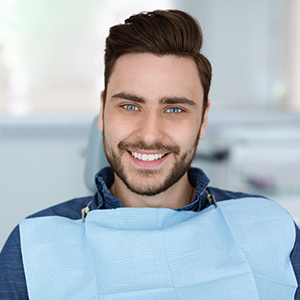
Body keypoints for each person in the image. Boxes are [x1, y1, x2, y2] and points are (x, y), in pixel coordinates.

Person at [0, 9, 299, 300]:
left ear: (203, 120)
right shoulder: (34, 245)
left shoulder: (270, 227)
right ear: (103, 111)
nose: (149, 135)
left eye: (174, 109)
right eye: (130, 106)